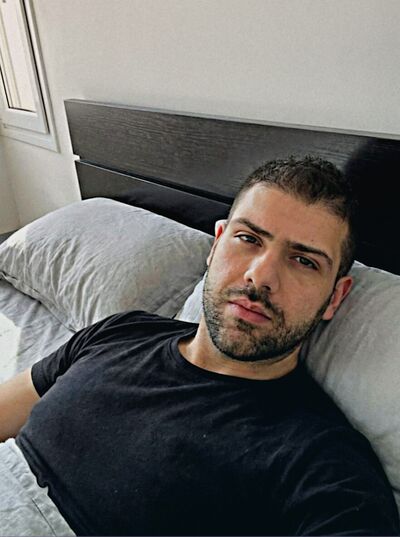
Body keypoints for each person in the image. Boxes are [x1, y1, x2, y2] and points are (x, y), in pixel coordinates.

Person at [0, 156, 399, 536]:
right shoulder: (120, 331)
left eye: (304, 261)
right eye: (248, 238)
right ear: (216, 245)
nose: (260, 275)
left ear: (334, 298)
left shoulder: (322, 462)